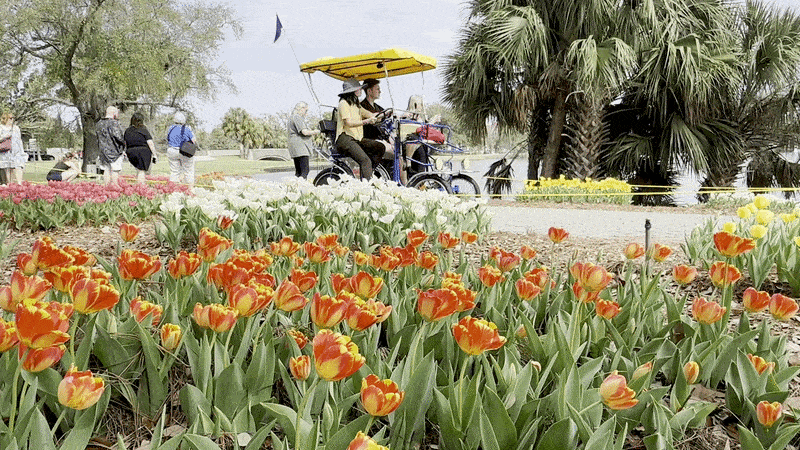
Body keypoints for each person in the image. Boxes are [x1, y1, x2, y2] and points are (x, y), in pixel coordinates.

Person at [335, 78, 385, 180]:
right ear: (353, 91)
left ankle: (368, 173)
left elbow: (370, 114)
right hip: (345, 139)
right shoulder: (343, 103)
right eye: (359, 89)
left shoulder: (356, 105)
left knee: (380, 147)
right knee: (365, 160)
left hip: (356, 139)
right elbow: (348, 123)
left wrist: (384, 114)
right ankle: (366, 187)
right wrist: (365, 121)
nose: (361, 90)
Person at [359, 79, 407, 184]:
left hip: (381, 139)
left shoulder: (378, 107)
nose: (380, 91)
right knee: (398, 155)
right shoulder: (362, 106)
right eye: (377, 89)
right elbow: (374, 118)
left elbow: (386, 123)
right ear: (369, 91)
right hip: (370, 139)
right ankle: (404, 184)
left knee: (403, 149)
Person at [287, 102, 320, 179]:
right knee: (305, 170)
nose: (306, 113)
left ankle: (295, 187)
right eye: (306, 111)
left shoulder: (291, 118)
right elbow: (304, 132)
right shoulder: (297, 117)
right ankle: (302, 187)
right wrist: (317, 131)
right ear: (301, 109)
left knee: (298, 172)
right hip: (301, 147)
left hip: (294, 147)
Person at [96, 106, 126, 185]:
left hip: (102, 151)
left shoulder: (99, 123)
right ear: (114, 113)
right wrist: (124, 144)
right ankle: (114, 186)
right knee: (115, 170)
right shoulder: (114, 123)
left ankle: (106, 187)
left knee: (106, 169)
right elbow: (118, 137)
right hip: (114, 151)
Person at [166, 112, 196, 190]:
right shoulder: (186, 128)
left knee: (174, 172)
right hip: (184, 151)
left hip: (172, 150)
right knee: (188, 171)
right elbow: (193, 140)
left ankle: (173, 190)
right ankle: (190, 190)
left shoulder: (170, 128)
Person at [124, 112, 157, 184]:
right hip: (143, 152)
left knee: (138, 170)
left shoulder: (127, 130)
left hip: (131, 152)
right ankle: (141, 188)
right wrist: (154, 154)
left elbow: (125, 142)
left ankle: (139, 184)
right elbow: (150, 143)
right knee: (142, 171)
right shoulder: (143, 129)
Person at [0, 112, 25, 184]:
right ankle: (10, 185)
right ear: (5, 119)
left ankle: (19, 184)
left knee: (18, 166)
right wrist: (5, 136)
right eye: (10, 118)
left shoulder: (16, 128)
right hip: (5, 151)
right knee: (7, 168)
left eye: (13, 118)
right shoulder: (1, 127)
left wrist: (21, 151)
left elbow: (19, 140)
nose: (12, 120)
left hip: (16, 151)